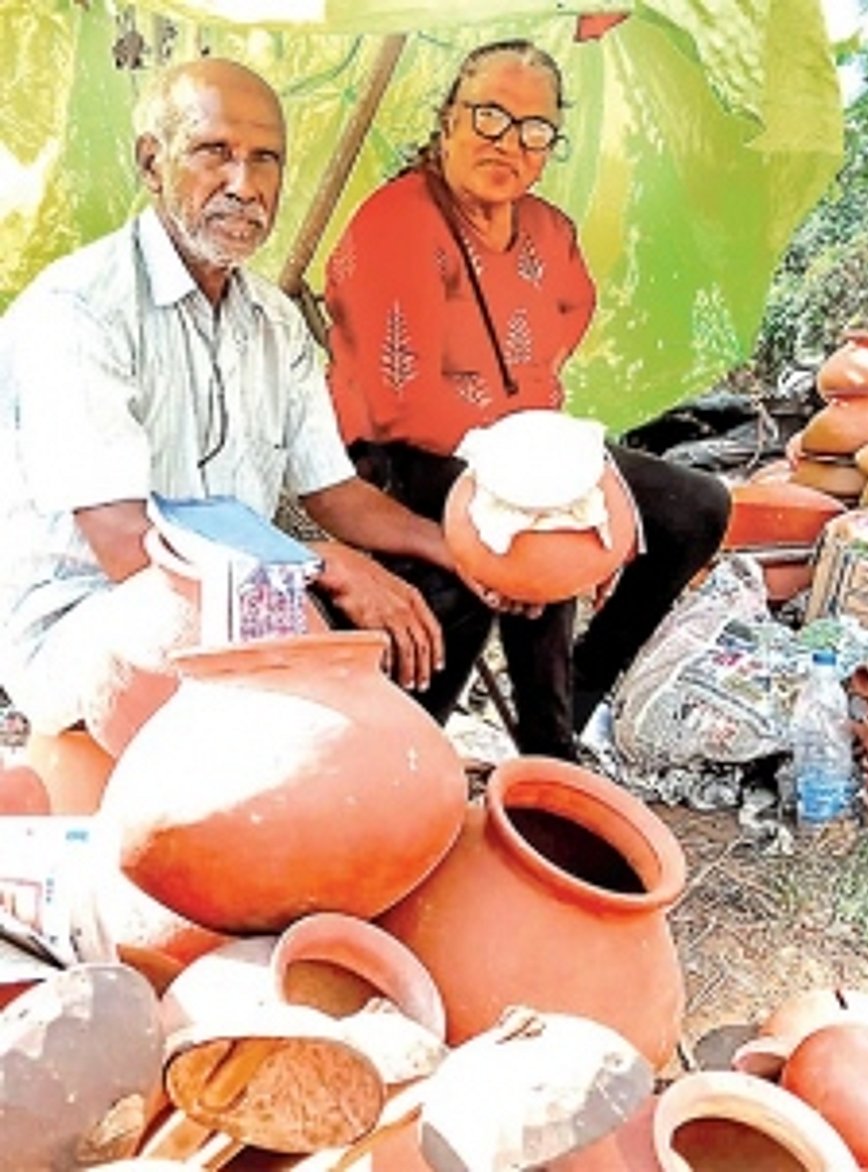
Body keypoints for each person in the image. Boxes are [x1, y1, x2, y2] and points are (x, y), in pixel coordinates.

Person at [0, 57, 471, 750]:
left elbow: (334, 492)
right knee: (223, 618)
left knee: (436, 588)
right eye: (213, 152)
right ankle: (293, 781)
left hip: (235, 599)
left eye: (265, 160)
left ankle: (382, 776)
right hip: (100, 621)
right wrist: (319, 564)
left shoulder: (274, 321)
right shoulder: (79, 311)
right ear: (152, 163)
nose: (244, 185)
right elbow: (127, 547)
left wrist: (461, 553)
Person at [323, 39, 731, 761]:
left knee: (693, 507)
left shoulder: (549, 231)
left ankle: (576, 697)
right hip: (407, 453)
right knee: (541, 519)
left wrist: (542, 441)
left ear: (547, 148)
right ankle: (544, 745)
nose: (508, 141)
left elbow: (572, 311)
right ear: (449, 119)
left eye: (534, 129)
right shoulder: (399, 221)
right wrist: (527, 456)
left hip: (523, 439)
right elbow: (399, 402)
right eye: (489, 115)